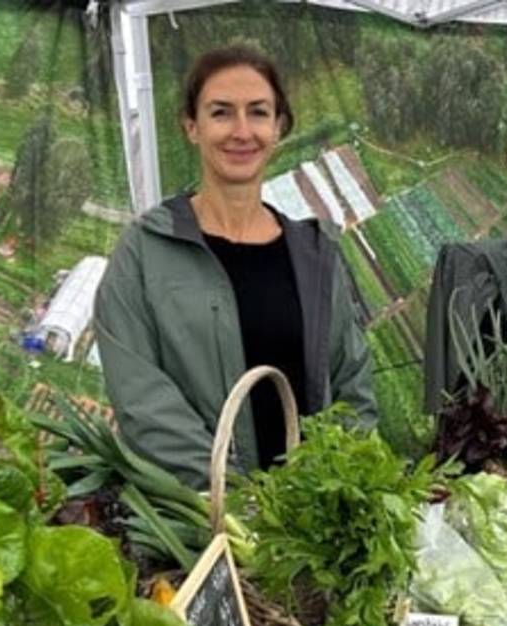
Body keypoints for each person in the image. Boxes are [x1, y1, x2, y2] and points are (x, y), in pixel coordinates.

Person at [94, 46, 376, 488]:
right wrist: (237, 497)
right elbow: (142, 402)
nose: (242, 131)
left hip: (310, 524)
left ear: (279, 127)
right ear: (192, 126)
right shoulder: (145, 252)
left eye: (258, 113)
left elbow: (351, 382)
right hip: (203, 526)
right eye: (221, 112)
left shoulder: (315, 253)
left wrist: (331, 491)